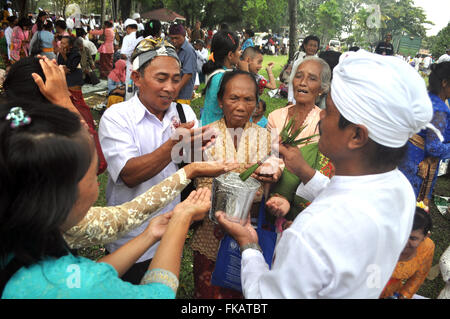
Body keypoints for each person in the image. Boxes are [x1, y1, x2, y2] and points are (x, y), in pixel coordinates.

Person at [216, 50, 434, 298]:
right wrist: (306, 172)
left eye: (328, 111)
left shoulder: (311, 232)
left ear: (356, 136)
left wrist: (249, 245)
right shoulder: (400, 189)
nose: (321, 120)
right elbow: (349, 199)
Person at [0, 100, 216, 298]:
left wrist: (149, 234)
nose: (98, 183)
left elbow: (95, 276)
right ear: (64, 194)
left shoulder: (19, 234)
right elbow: (158, 293)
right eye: (94, 174)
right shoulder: (75, 284)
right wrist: (181, 220)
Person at [99, 39, 213, 285]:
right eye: (161, 79)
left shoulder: (184, 113)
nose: (170, 88)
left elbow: (193, 163)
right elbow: (129, 175)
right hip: (130, 235)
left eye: (176, 79)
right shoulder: (117, 117)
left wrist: (198, 150)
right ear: (137, 78)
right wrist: (173, 144)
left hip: (170, 230)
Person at [191, 69, 277, 299]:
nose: (241, 106)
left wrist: (270, 178)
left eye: (248, 99)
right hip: (210, 239)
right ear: (220, 100)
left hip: (251, 235)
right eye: (233, 98)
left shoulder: (266, 138)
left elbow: (268, 187)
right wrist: (251, 181)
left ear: (257, 103)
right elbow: (204, 187)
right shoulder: (205, 137)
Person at [265, 56, 333, 231]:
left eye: (312, 78)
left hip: (305, 211)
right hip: (270, 197)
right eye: (298, 76)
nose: (302, 83)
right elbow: (267, 159)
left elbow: (322, 172)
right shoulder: (276, 117)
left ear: (322, 88)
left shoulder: (324, 122)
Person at [398, 62, 449, 206]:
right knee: (410, 204)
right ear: (444, 83)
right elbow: (433, 147)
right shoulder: (439, 109)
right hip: (419, 162)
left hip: (407, 153)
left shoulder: (425, 98)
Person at [380, 206, 434, 299]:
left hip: (392, 292)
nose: (404, 242)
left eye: (413, 238)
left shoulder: (426, 248)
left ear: (425, 236)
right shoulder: (381, 237)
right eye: (402, 234)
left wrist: (404, 295)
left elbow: (418, 277)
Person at [200, 30, 241, 126]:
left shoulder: (216, 72)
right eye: (239, 50)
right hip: (217, 133)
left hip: (208, 126)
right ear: (230, 55)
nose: (240, 53)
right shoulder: (224, 78)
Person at [167, 23, 197, 105]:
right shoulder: (173, 48)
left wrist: (177, 90)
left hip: (182, 95)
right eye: (172, 38)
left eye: (177, 38)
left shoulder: (188, 51)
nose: (174, 41)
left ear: (184, 36)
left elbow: (188, 73)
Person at [288, 35, 320, 103]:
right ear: (305, 46)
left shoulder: (319, 64)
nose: (312, 48)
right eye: (310, 45)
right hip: (297, 95)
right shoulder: (298, 62)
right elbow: (292, 80)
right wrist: (290, 99)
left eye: (315, 46)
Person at [120, 18, 138, 101]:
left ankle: (129, 107)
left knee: (129, 88)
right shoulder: (141, 36)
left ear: (128, 28)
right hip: (141, 66)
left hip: (131, 67)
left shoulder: (127, 38)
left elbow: (123, 54)